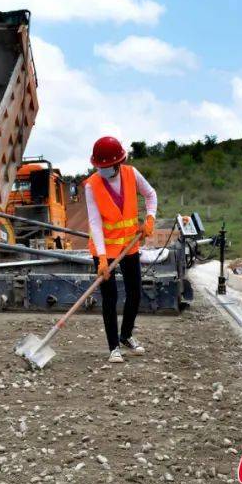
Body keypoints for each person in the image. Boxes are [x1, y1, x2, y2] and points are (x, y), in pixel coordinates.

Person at [85, 135, 157, 364]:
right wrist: (103, 259)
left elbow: (150, 194)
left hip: (130, 246)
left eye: (107, 167)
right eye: (99, 167)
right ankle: (113, 346)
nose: (103, 171)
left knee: (135, 293)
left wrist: (150, 219)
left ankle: (126, 335)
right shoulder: (91, 186)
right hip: (104, 250)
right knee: (110, 297)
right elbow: (95, 223)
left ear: (118, 163)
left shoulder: (131, 174)